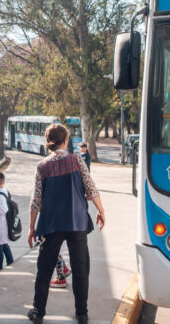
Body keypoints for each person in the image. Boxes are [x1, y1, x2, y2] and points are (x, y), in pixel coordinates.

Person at [26, 124, 105, 324]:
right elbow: (90, 187)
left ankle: (38, 313)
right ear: (66, 140)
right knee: (80, 269)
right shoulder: (77, 160)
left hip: (51, 224)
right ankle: (82, 314)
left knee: (44, 270)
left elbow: (36, 199)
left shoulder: (42, 166)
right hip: (76, 222)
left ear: (49, 142)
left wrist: (31, 227)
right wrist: (101, 210)